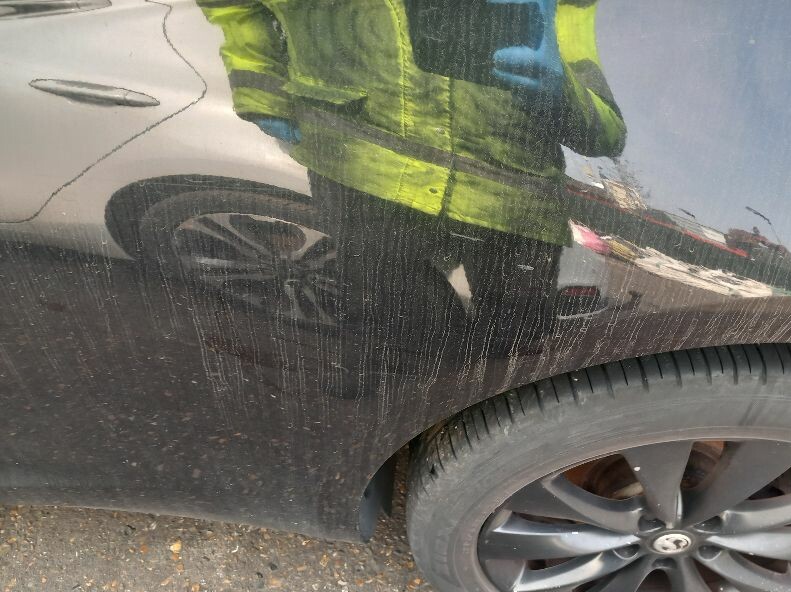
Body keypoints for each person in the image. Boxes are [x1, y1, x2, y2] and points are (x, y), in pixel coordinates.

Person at [198, 0, 626, 353]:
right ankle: (411, 401)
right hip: (362, 176)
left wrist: (561, 94)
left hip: (511, 205)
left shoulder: (563, 6)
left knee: (514, 344)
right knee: (395, 331)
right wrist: (258, 82)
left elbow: (607, 134)